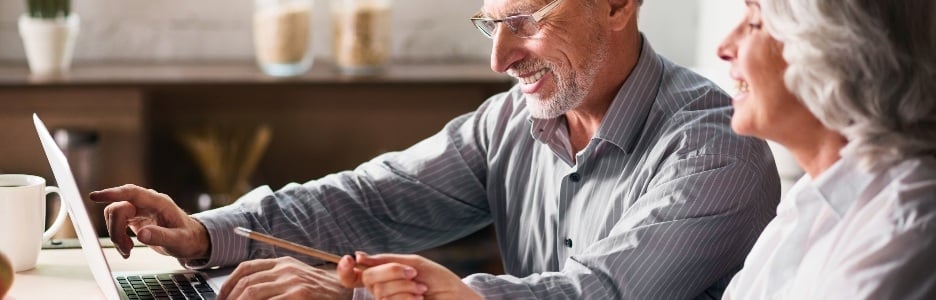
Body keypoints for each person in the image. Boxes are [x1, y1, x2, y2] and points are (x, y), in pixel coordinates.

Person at [91, 0, 781, 299]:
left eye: (526, 23)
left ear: (617, 4)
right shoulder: (511, 121)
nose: (500, 57)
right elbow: (370, 200)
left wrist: (353, 296)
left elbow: (597, 293)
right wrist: (209, 233)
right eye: (490, 24)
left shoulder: (719, 145)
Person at [714, 0, 936, 298]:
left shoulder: (908, 224)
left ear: (835, 47)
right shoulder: (809, 200)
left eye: (755, 22)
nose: (724, 47)